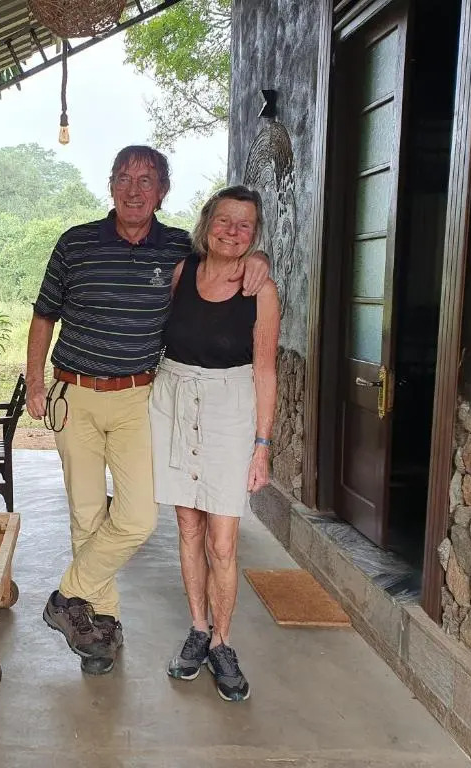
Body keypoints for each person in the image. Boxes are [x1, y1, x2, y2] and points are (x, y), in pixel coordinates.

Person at [26, 146, 270, 675]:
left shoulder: (179, 248)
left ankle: (66, 596)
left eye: (146, 180)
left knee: (137, 517)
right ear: (110, 184)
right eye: (124, 178)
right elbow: (44, 315)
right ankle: (100, 629)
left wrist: (260, 259)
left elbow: (228, 255)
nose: (133, 190)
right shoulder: (75, 243)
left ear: (162, 191)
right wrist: (36, 382)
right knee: (87, 516)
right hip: (74, 394)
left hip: (140, 398)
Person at [150, 185, 279, 701]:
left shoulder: (261, 289)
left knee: (222, 541)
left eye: (245, 225)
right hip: (175, 401)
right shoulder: (182, 272)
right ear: (207, 223)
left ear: (255, 234)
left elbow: (265, 371)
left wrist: (262, 444)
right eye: (224, 220)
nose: (232, 231)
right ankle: (198, 628)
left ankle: (223, 643)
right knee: (188, 527)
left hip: (231, 409)